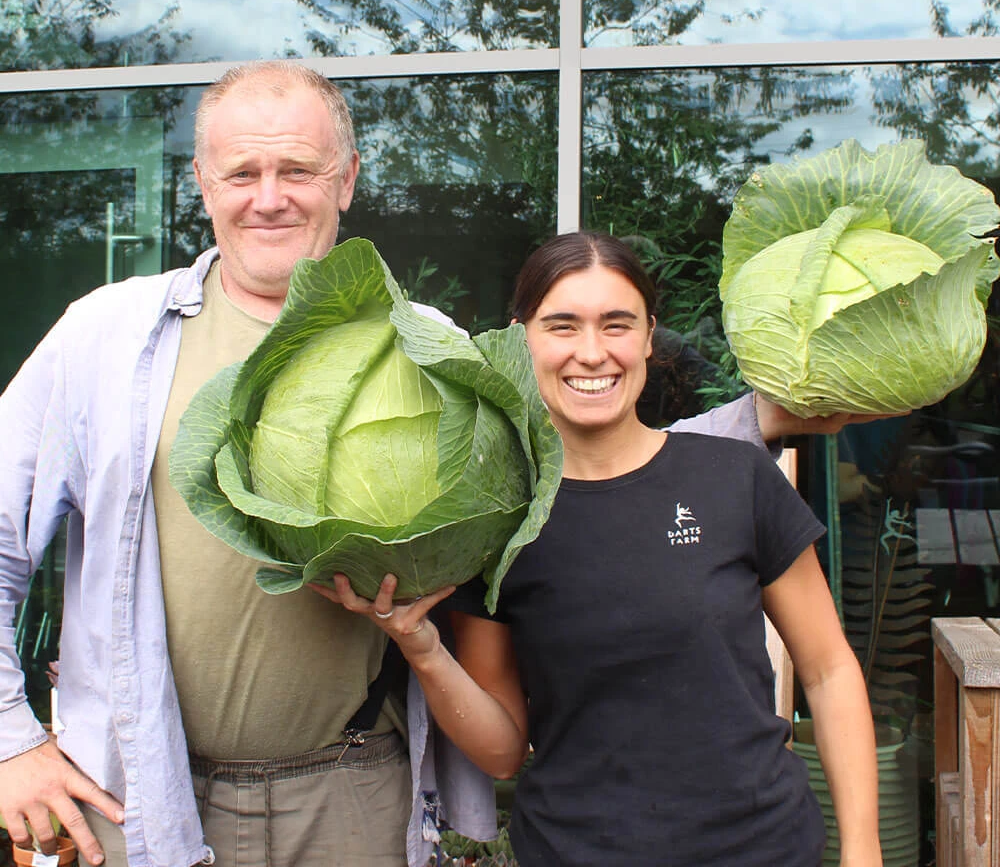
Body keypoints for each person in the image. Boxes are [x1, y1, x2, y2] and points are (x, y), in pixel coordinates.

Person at [0, 61, 867, 867]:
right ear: (202, 182)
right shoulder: (104, 338)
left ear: (347, 179)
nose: (270, 197)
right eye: (242, 173)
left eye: (298, 169)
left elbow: (574, 463)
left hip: (351, 791)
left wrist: (761, 416)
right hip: (143, 790)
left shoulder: (428, 345)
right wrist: (10, 740)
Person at [319, 231, 883, 867]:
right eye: (562, 326)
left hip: (763, 849)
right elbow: (503, 752)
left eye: (617, 324)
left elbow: (828, 671)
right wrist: (422, 649)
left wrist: (863, 849)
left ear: (649, 338)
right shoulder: (495, 523)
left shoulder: (735, 476)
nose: (592, 353)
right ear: (521, 339)